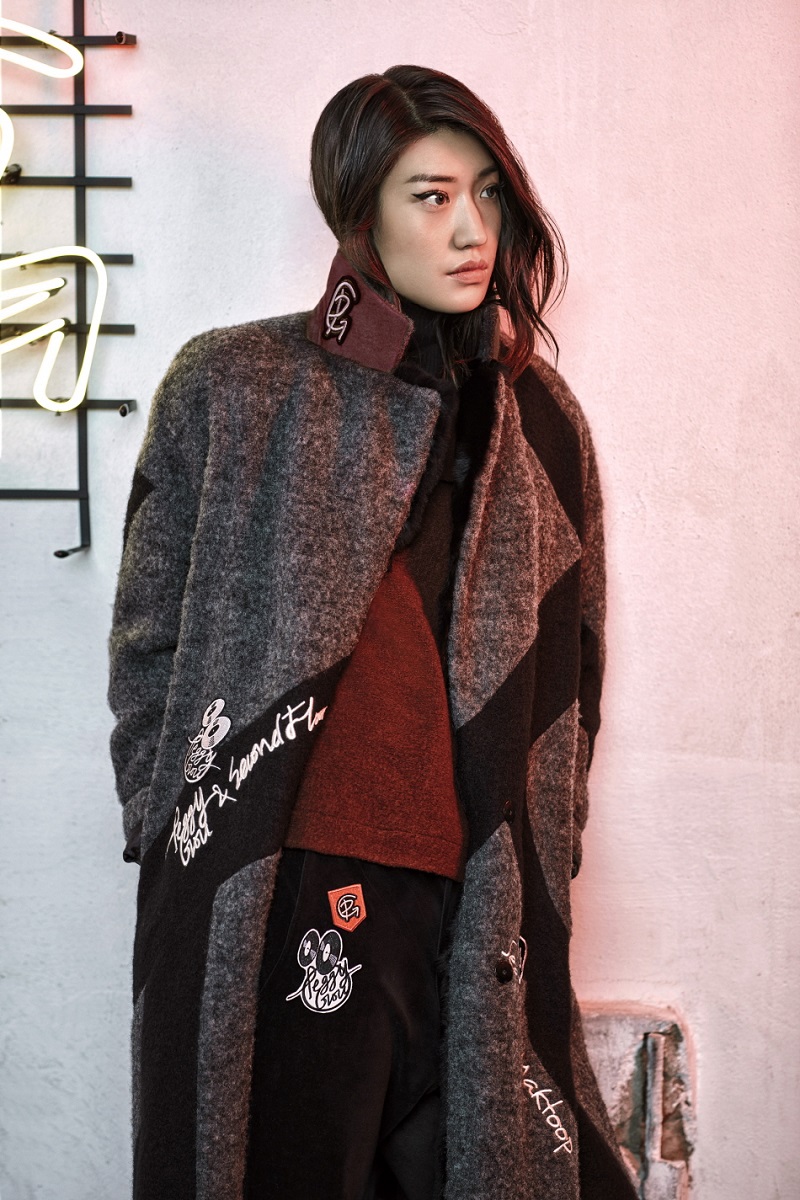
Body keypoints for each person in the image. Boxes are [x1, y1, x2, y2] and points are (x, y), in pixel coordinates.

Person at [108, 64, 637, 1200]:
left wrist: (547, 856)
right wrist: (175, 831)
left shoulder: (544, 422)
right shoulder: (235, 385)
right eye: (430, 196)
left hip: (478, 906)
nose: (472, 229)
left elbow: (576, 673)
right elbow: (146, 641)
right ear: (360, 213)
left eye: (486, 193)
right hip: (281, 884)